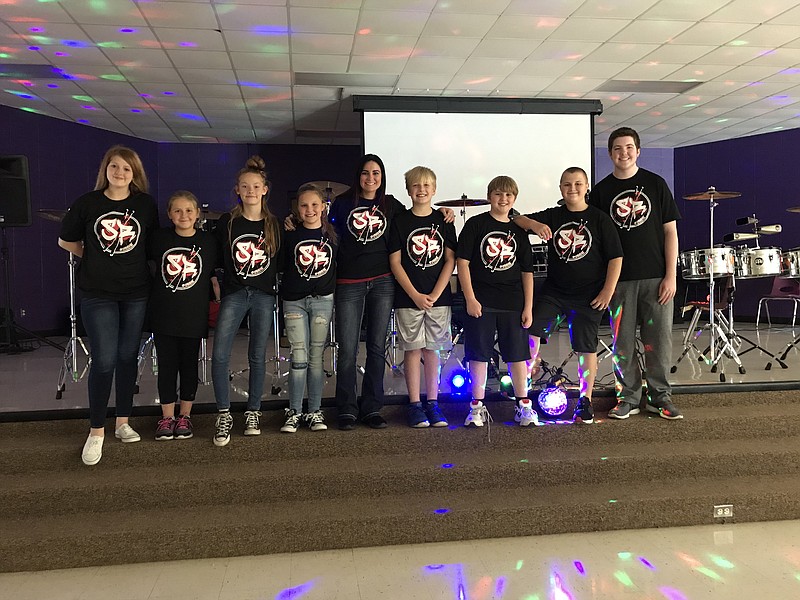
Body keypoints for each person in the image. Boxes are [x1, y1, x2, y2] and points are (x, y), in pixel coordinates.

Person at [58, 145, 159, 466]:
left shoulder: (145, 204)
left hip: (135, 292)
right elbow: (65, 240)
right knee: (103, 359)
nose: (120, 173)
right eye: (115, 167)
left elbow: (150, 245)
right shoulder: (88, 202)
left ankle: (123, 422)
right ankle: (97, 430)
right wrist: (93, 257)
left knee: (128, 357)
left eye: (127, 169)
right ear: (106, 169)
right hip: (97, 292)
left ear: (135, 174)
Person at [513, 167, 623, 424]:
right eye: (566, 185)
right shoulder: (554, 215)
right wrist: (536, 225)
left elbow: (615, 257)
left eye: (577, 184)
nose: (572, 189)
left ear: (586, 187)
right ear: (560, 188)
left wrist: (608, 291)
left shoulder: (600, 219)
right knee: (531, 331)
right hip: (555, 292)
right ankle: (524, 391)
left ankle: (585, 401)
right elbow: (517, 219)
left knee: (586, 347)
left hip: (590, 295)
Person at [589, 127, 682, 420]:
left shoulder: (656, 184)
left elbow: (670, 232)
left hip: (657, 279)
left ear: (638, 151)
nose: (624, 153)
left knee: (659, 342)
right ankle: (627, 397)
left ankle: (660, 397)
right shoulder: (601, 192)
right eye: (617, 148)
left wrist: (671, 276)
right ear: (610, 154)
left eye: (629, 147)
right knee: (623, 343)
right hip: (619, 282)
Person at [327, 154, 406, 430]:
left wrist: (444, 215)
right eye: (365, 173)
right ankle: (347, 408)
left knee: (376, 346)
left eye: (376, 173)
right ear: (357, 175)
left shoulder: (391, 205)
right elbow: (325, 234)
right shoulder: (342, 203)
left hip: (383, 281)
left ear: (382, 176)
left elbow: (415, 221)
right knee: (347, 349)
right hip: (349, 281)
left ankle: (372, 408)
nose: (370, 178)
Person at [212, 155, 281, 446]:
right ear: (237, 190)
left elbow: (280, 262)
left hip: (263, 295)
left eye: (255, 186)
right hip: (235, 293)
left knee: (256, 356)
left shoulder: (274, 224)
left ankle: (253, 410)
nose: (250, 191)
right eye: (244, 186)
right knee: (220, 354)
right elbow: (217, 259)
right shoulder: (228, 222)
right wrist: (216, 287)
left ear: (265, 189)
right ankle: (224, 413)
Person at [456, 176, 535, 427]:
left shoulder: (519, 232)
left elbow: (527, 272)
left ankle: (523, 405)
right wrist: (470, 298)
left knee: (517, 355)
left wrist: (528, 307)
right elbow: (463, 263)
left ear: (514, 199)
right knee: (479, 354)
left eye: (509, 195)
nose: (504, 199)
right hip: (481, 301)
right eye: (499, 194)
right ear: (490, 196)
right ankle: (477, 406)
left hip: (512, 302)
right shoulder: (476, 225)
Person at [388, 166, 456, 428]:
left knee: (433, 349)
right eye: (416, 186)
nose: (421, 190)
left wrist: (437, 293)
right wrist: (415, 294)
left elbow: (450, 260)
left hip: (438, 297)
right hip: (409, 298)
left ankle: (433, 402)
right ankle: (415, 404)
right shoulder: (400, 221)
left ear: (434, 189)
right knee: (412, 349)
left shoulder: (444, 220)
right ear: (408, 190)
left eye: (427, 185)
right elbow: (395, 262)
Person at [148, 191, 217, 441]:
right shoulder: (159, 239)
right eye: (177, 210)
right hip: (164, 314)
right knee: (167, 367)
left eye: (189, 210)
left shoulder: (209, 241)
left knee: (189, 366)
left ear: (198, 213)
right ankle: (167, 417)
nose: (183, 215)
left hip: (194, 314)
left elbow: (213, 275)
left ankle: (185, 415)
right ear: (169, 214)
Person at [278, 184, 337, 433]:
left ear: (323, 207)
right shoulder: (289, 234)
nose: (310, 209)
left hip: (323, 300)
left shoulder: (334, 236)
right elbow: (281, 266)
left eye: (315, 205)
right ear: (297, 209)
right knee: (298, 356)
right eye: (304, 205)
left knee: (315, 358)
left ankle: (314, 411)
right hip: (294, 301)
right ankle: (294, 411)